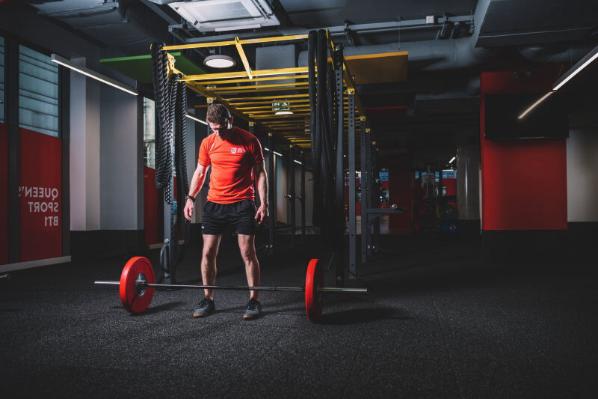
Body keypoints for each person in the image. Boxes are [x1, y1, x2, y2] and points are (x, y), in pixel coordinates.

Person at [184, 103, 268, 320]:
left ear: (230, 120)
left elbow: (260, 173)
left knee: (248, 253)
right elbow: (200, 172)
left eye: (221, 128)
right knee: (207, 253)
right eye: (214, 129)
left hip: (242, 203)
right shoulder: (207, 143)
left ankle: (254, 301)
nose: (218, 133)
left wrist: (263, 203)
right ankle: (208, 299)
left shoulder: (250, 140)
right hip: (215, 204)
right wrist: (190, 197)